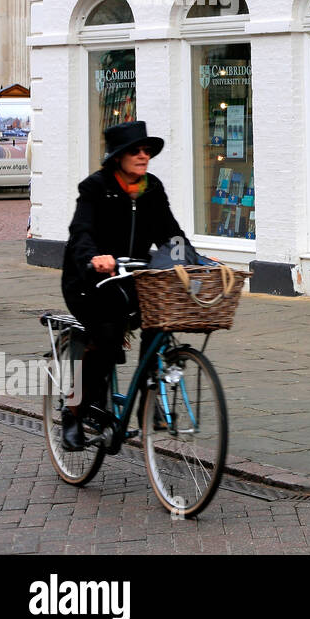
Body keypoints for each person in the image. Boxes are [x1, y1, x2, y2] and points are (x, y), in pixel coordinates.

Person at [60, 121, 195, 450]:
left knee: (158, 328)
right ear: (118, 156)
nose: (143, 155)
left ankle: (146, 412)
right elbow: (82, 232)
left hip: (132, 277)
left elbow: (170, 234)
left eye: (146, 150)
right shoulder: (96, 187)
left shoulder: (152, 188)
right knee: (106, 339)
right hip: (89, 281)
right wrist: (94, 259)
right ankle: (74, 413)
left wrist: (192, 260)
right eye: (135, 150)